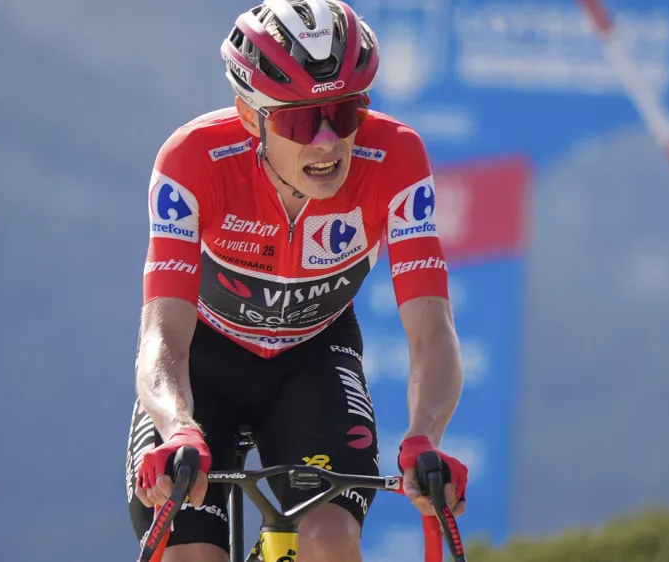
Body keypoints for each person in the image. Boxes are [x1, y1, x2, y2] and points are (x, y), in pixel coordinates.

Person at [124, 1, 469, 560]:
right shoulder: (192, 160)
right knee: (193, 554)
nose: (327, 141)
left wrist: (424, 436)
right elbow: (162, 337)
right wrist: (179, 425)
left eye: (346, 112)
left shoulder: (397, 157)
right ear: (249, 114)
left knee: (330, 542)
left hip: (314, 358)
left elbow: (433, 330)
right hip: (202, 362)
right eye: (300, 121)